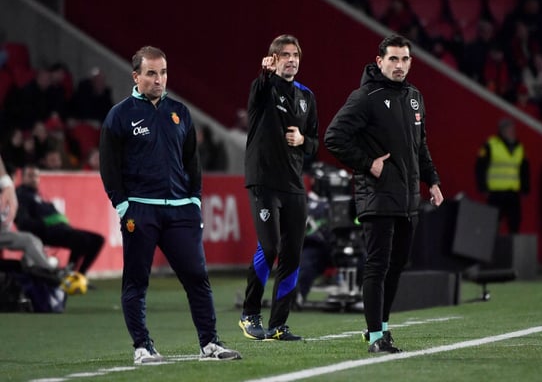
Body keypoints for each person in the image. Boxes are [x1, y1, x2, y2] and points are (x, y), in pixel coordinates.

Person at [98, 45, 241, 364]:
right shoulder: (119, 115)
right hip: (140, 210)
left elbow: (192, 162)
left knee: (197, 277)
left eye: (163, 72)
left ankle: (210, 344)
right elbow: (108, 167)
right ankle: (142, 347)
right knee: (137, 281)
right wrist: (123, 206)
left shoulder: (180, 112)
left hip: (181, 210)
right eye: (151, 73)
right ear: (136, 77)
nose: (159, 79)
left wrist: (194, 201)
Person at [324, 35, 444, 353]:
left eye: (404, 59)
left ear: (410, 62)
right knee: (377, 265)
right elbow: (333, 136)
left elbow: (420, 146)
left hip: (407, 198)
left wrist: (432, 181)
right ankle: (376, 337)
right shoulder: (366, 96)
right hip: (376, 195)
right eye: (393, 59)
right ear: (380, 61)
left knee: (397, 264)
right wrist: (368, 164)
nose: (399, 65)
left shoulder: (414, 97)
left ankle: (382, 329)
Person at [238, 34, 319, 341]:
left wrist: (303, 140)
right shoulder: (263, 88)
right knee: (270, 247)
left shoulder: (307, 96)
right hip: (264, 181)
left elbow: (315, 143)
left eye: (295, 55)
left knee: (292, 254)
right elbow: (258, 91)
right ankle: (250, 314)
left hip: (293, 184)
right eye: (285, 55)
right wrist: (264, 73)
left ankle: (278, 325)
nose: (291, 60)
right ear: (273, 59)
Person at [14, 165, 104, 275]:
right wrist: (47, 222)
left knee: (98, 240)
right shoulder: (21, 195)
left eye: (36, 176)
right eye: (30, 176)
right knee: (80, 240)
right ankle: (71, 273)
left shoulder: (39, 195)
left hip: (60, 229)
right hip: (45, 232)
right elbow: (23, 223)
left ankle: (80, 274)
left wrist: (59, 219)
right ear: (23, 178)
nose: (34, 179)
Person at [475, 118, 530, 234]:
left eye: (513, 130)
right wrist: (483, 187)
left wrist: (525, 188)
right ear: (502, 130)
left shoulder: (519, 147)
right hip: (496, 193)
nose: (512, 132)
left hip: (512, 193)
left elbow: (524, 169)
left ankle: (511, 245)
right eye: (510, 129)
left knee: (515, 222)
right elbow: (480, 167)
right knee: (493, 223)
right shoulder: (491, 144)